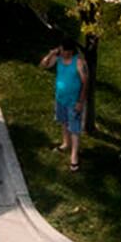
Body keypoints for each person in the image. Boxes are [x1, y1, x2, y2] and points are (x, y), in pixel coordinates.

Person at [40, 43, 87, 171]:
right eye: (62, 51)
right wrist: (51, 53)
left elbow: (84, 83)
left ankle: (74, 156)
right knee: (64, 122)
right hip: (60, 99)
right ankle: (66, 143)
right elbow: (43, 65)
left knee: (75, 128)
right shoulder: (58, 58)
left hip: (73, 102)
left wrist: (80, 102)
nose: (64, 54)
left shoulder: (78, 62)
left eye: (66, 52)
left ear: (72, 51)